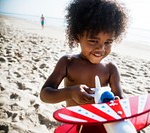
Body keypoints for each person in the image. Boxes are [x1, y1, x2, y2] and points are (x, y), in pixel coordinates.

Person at [40, 0, 128, 132]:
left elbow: (120, 101)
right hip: (74, 123)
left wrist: (115, 102)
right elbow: (45, 94)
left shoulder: (111, 69)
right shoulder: (67, 62)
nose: (101, 48)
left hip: (101, 124)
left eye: (108, 42)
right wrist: (70, 92)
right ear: (77, 36)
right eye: (93, 40)